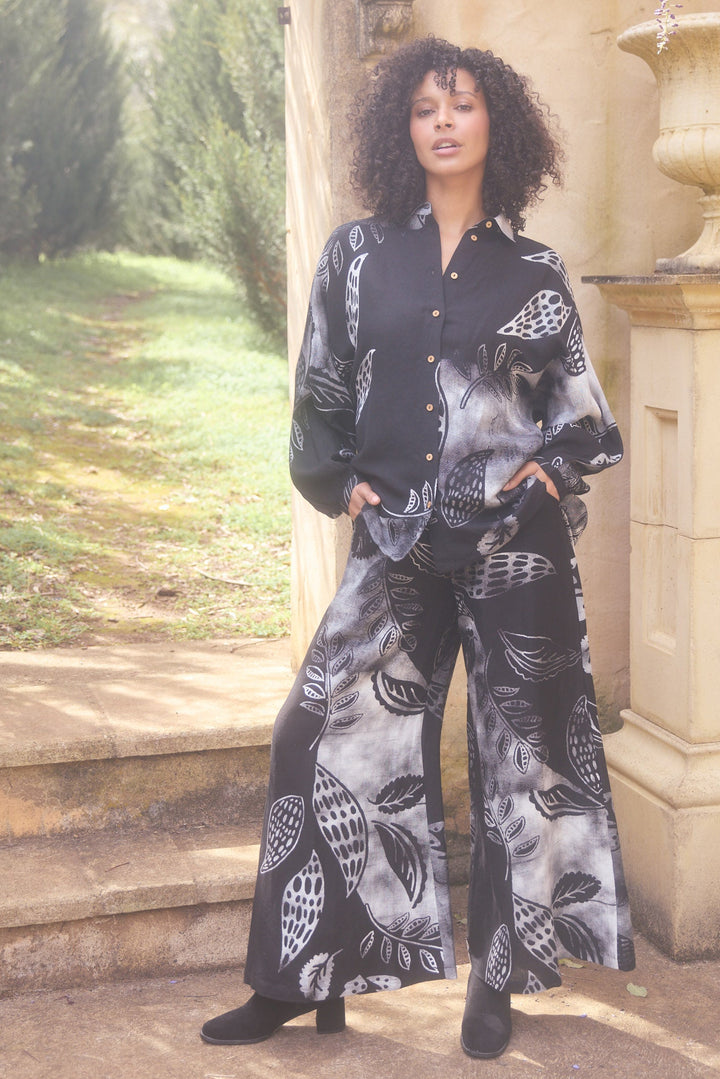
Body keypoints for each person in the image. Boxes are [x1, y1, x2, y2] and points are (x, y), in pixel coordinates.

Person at [201, 35, 635, 1060]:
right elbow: (317, 396)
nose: (444, 122)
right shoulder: (356, 255)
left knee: (517, 764)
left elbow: (585, 421)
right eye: (426, 108)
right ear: (404, 129)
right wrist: (336, 474)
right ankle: (302, 976)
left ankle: (499, 979)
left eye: (464, 105)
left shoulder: (532, 268)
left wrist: (544, 474)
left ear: (498, 126)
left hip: (513, 551)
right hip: (393, 543)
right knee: (312, 730)